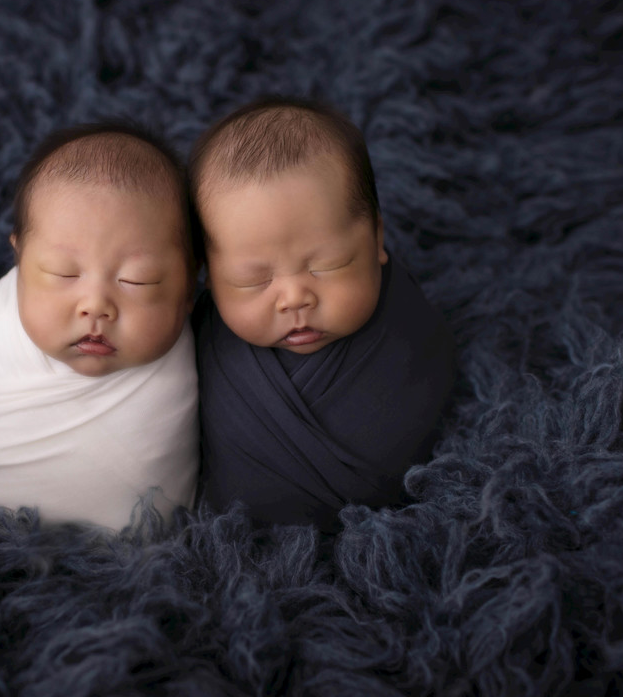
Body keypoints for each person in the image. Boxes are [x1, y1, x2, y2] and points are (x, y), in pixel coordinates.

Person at [190, 96, 455, 532]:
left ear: (376, 238)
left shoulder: (411, 333)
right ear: (207, 275)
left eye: (328, 265)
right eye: (252, 280)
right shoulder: (199, 346)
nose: (294, 296)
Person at [0, 122, 199, 531]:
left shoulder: (204, 342)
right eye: (63, 273)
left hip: (144, 559)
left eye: (138, 281)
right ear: (20, 262)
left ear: (190, 287)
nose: (96, 306)